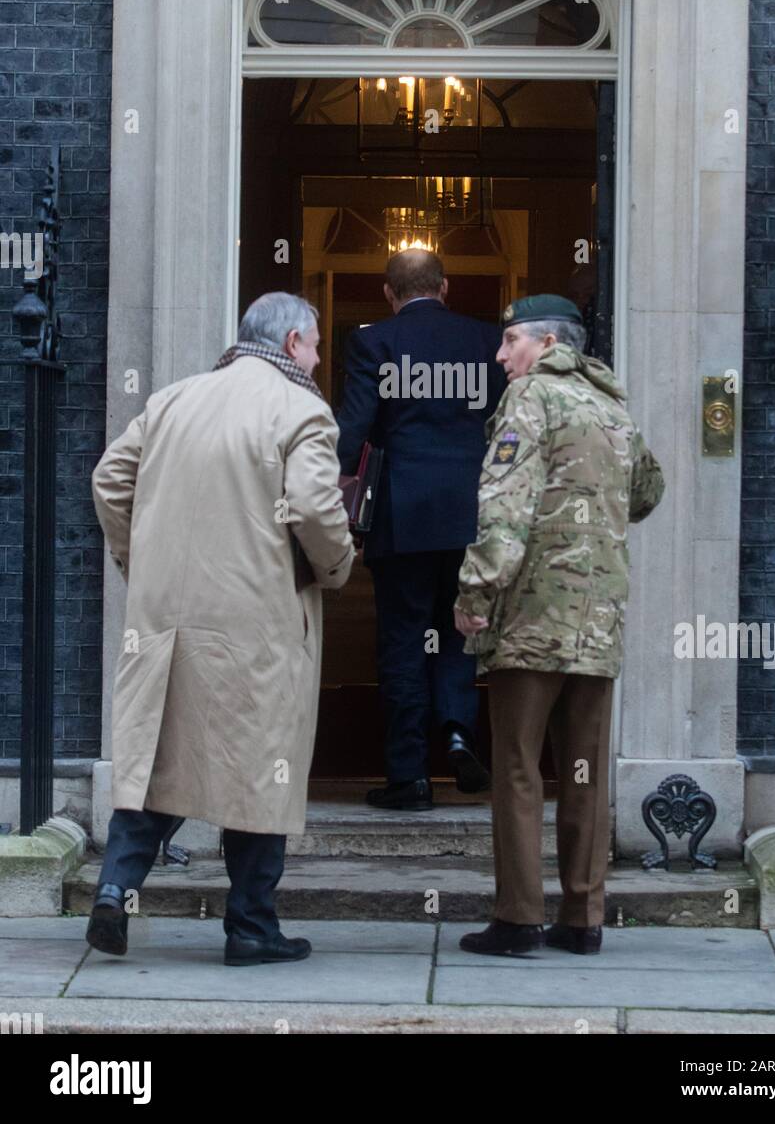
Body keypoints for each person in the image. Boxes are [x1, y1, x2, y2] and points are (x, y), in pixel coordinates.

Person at [86, 292, 354, 967]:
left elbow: (109, 479)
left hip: (167, 618)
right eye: (318, 345)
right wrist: (338, 567)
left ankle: (115, 892)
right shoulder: (302, 410)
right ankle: (251, 928)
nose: (320, 358)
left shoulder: (174, 399)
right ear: (293, 342)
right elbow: (319, 509)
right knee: (259, 770)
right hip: (256, 621)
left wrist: (136, 561)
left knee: (154, 763)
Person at [454, 295, 665, 957]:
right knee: (583, 771)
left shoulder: (530, 400)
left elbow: (505, 507)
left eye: (510, 339)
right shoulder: (610, 405)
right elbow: (648, 491)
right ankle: (582, 917)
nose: (500, 354)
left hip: (532, 617)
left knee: (517, 766)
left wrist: (474, 591)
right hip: (597, 620)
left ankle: (517, 917)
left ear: (546, 344)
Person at [337, 249, 506, 809]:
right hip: (469, 514)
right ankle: (458, 731)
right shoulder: (485, 343)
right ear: (446, 286)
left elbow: (352, 433)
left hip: (402, 515)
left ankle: (408, 774)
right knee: (461, 631)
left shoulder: (374, 343)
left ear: (390, 293)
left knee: (403, 642)